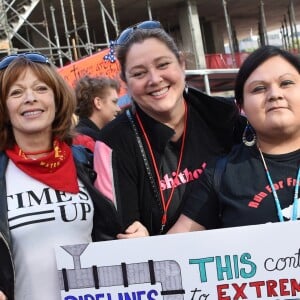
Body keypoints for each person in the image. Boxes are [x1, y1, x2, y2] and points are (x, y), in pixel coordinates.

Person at [93, 20, 245, 238]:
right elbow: (118, 236)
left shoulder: (225, 116)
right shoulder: (114, 142)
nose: (155, 80)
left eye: (163, 65)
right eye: (138, 73)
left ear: (182, 64)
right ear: (125, 81)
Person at [0, 53, 121, 300]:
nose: (30, 98)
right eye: (16, 92)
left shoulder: (87, 161)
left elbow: (113, 234)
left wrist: (135, 238)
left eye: (41, 88)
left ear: (57, 98)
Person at [168, 45, 300, 234]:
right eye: (259, 88)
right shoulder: (221, 173)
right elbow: (173, 246)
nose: (275, 95)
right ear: (241, 107)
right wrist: (143, 245)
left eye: (286, 83)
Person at [73, 75, 121, 151]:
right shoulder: (85, 140)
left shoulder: (88, 136)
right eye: (114, 102)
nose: (118, 108)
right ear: (98, 103)